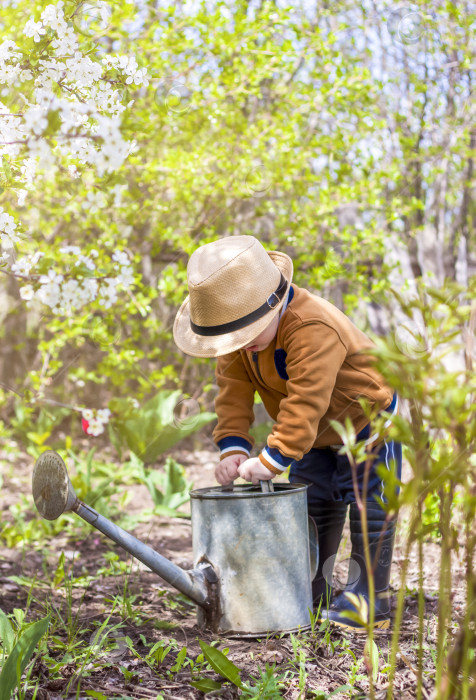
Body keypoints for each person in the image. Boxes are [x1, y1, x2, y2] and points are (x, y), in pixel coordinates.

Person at [173, 235, 401, 632]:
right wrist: (233, 447)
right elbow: (233, 394)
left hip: (367, 426)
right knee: (312, 505)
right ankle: (314, 586)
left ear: (274, 305)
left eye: (249, 338)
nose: (243, 349)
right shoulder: (236, 338)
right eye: (235, 342)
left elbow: (307, 400)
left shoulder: (311, 326)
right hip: (313, 436)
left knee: (370, 507)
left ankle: (369, 598)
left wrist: (274, 457)